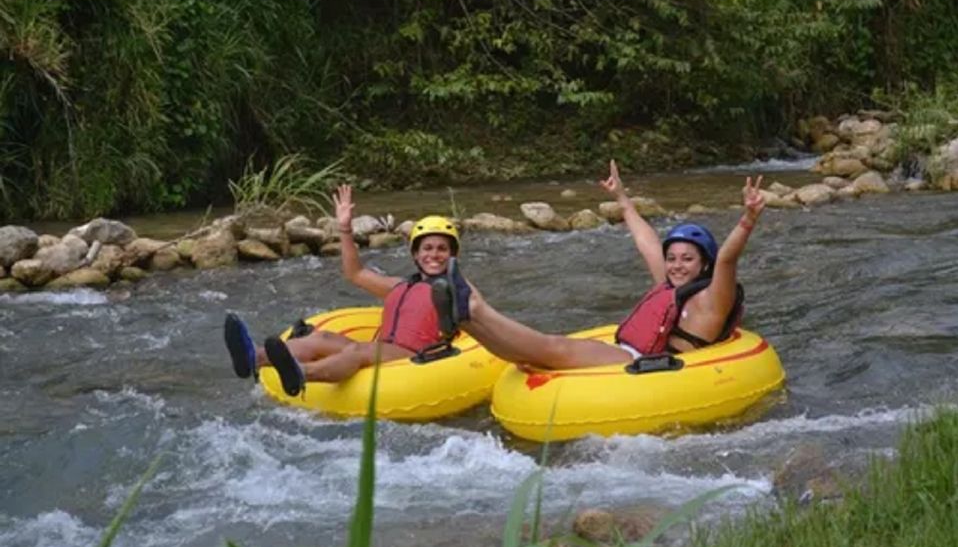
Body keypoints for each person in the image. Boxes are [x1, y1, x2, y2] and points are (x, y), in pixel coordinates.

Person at [431, 160, 766, 369]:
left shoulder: (712, 301)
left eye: (687, 259)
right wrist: (621, 198)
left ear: (704, 265)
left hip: (640, 365)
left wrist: (747, 219)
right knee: (533, 354)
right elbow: (646, 240)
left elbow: (727, 258)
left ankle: (476, 307)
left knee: (553, 347)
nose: (676, 266)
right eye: (673, 258)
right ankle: (466, 319)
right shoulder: (670, 284)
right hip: (627, 354)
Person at [224, 184, 462, 396]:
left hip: (413, 357)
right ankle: (255, 357)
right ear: (416, 255)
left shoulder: (456, 287)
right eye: (427, 248)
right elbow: (355, 273)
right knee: (321, 337)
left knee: (359, 350)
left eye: (442, 249)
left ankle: (302, 373)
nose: (434, 254)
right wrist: (345, 229)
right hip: (384, 349)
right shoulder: (399, 286)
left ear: (453, 255)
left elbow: (476, 312)